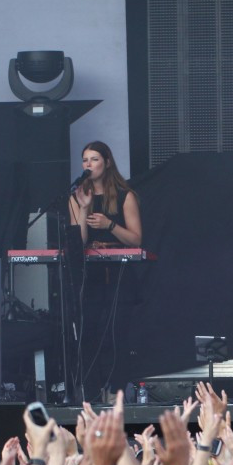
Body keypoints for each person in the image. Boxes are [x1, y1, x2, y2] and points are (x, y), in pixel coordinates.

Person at [67, 141, 143, 400]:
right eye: (85, 160)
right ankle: (91, 393)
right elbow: (79, 242)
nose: (88, 165)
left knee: (116, 332)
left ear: (107, 162)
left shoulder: (125, 195)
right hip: (92, 276)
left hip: (119, 274)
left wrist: (109, 225)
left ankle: (117, 391)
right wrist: (85, 207)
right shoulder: (77, 197)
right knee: (89, 332)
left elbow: (136, 239)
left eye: (94, 159)